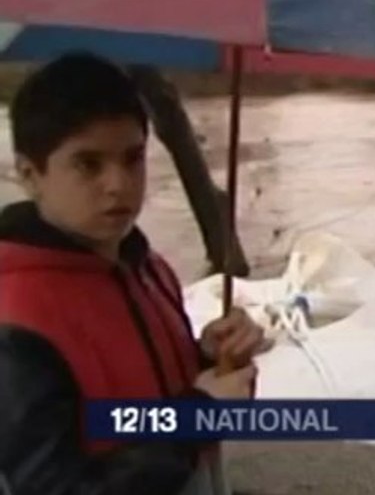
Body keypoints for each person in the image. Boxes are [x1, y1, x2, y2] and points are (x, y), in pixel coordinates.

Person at [0, 52, 266, 495]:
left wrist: (212, 359)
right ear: (30, 175)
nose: (118, 184)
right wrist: (197, 415)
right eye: (89, 164)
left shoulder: (148, 266)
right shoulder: (16, 319)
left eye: (133, 158)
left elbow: (152, 392)